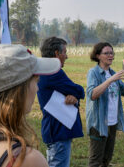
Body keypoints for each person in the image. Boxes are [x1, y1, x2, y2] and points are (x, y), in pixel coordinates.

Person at [37, 37, 84, 167]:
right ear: (57, 53)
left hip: (54, 130)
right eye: (64, 52)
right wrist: (77, 93)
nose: (67, 56)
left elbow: (70, 91)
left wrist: (73, 97)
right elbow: (78, 90)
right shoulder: (52, 72)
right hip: (58, 130)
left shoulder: (43, 69)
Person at [86, 42, 124, 167]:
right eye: (106, 53)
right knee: (95, 161)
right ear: (98, 56)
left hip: (112, 122)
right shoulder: (94, 73)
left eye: (111, 53)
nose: (110, 55)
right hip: (99, 122)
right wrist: (110, 80)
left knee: (106, 159)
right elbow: (92, 94)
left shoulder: (113, 73)